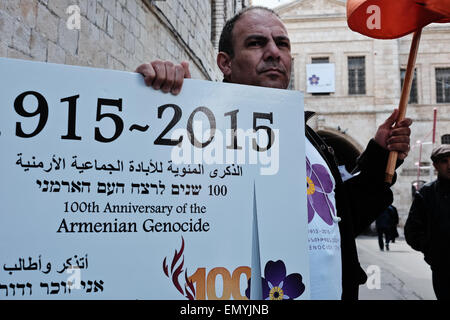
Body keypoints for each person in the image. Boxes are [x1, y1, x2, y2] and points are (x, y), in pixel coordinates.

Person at [135, 6, 412, 300]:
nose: (273, 52)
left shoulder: (309, 140)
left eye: (282, 43)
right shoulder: (199, 130)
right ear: (225, 63)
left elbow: (340, 219)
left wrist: (381, 155)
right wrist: (153, 96)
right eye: (256, 43)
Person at [405, 144, 450, 300]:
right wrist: (432, 251)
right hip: (443, 268)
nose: (449, 165)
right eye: (444, 161)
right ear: (436, 165)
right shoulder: (427, 193)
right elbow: (412, 230)